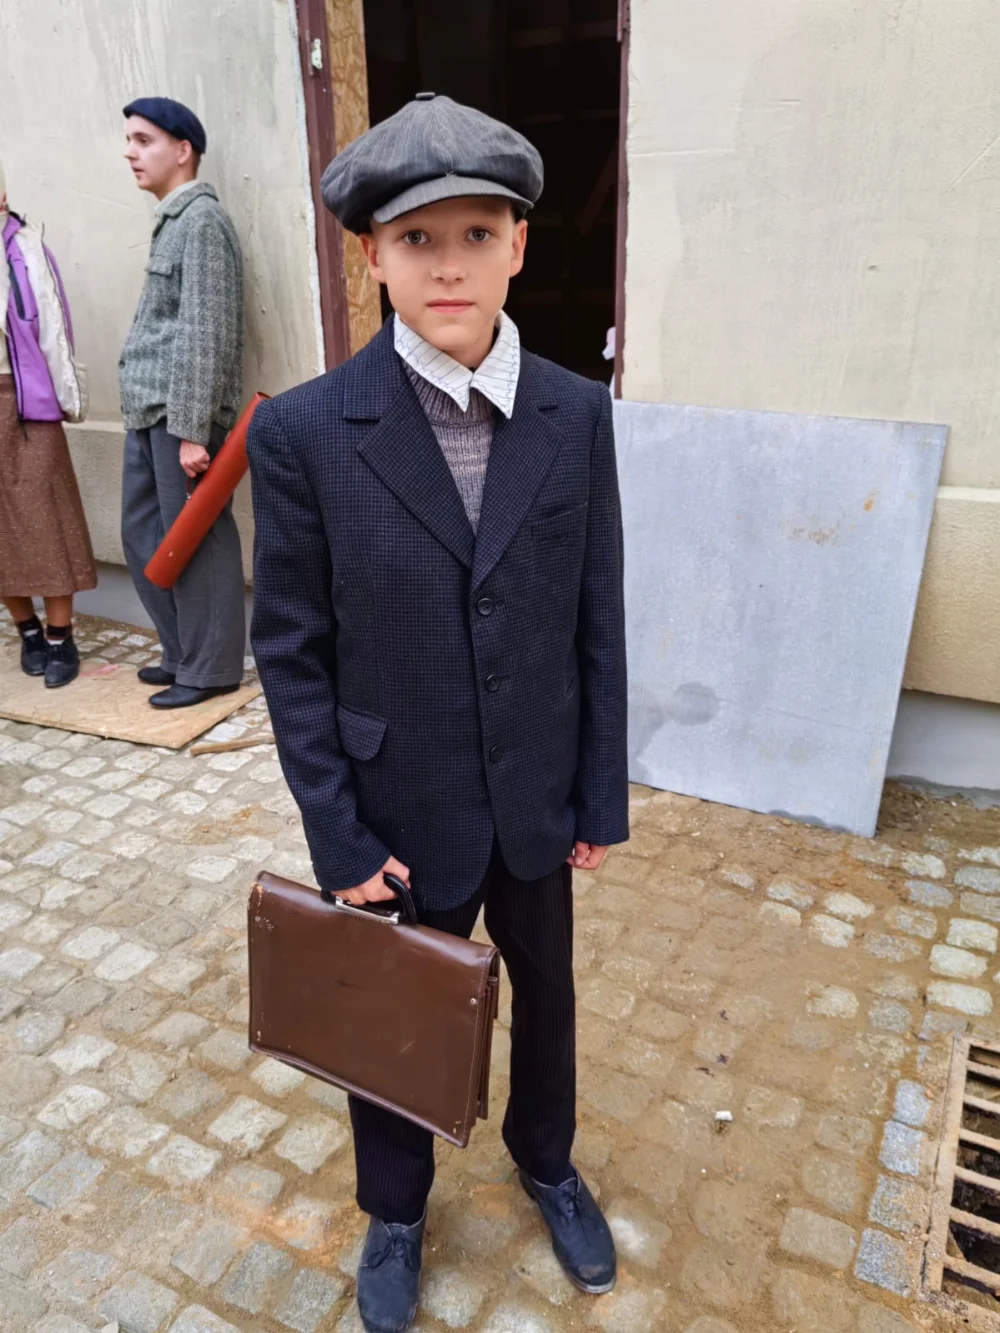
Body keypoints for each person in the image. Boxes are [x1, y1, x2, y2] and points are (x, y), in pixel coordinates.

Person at [248, 93, 628, 1333]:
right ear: (373, 255)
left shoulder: (574, 413)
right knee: (396, 1016)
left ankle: (546, 1158)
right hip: (397, 810)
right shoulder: (306, 433)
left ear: (518, 244)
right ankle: (397, 1207)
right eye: (418, 239)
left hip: (537, 794)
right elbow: (290, 651)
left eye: (475, 234)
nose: (448, 265)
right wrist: (338, 836)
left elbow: (597, 616)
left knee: (549, 993)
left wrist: (598, 793)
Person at [118, 96, 246, 709]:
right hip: (150, 410)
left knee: (197, 542)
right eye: (129, 140)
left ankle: (212, 668)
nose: (130, 152)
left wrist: (194, 429)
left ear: (182, 150)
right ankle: (181, 652)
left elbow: (205, 329)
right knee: (144, 536)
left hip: (180, 416)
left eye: (143, 140)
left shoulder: (203, 222)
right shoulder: (173, 221)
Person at [0, 160, 95, 688]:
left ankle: (61, 637)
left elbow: (54, 332)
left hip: (27, 398)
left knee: (49, 516)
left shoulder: (26, 249)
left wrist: (65, 399)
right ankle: (28, 630)